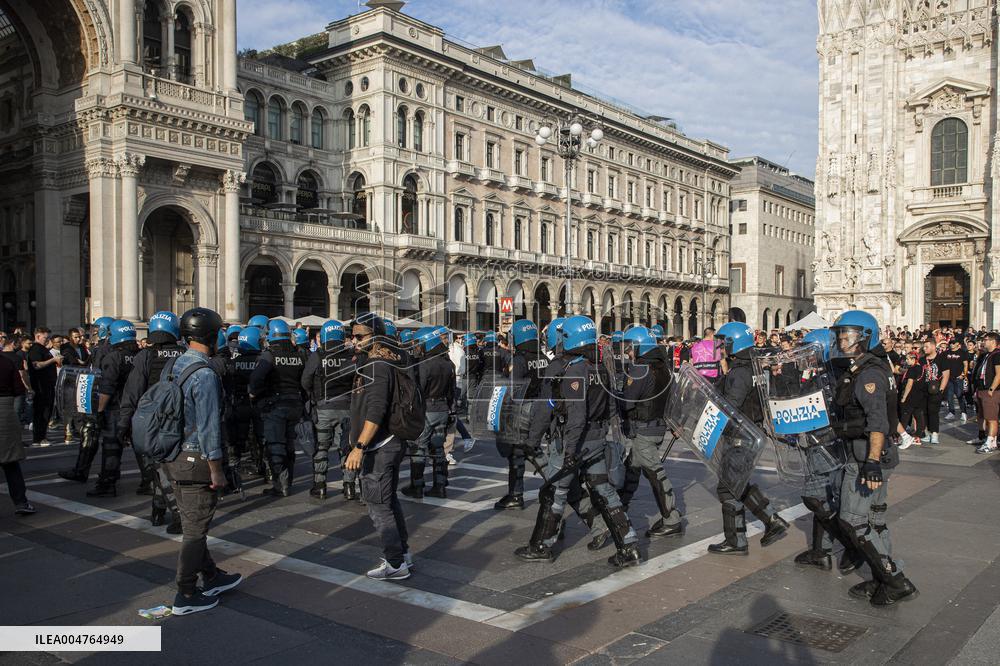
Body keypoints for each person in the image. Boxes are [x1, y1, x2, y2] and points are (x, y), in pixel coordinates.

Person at [514, 315, 642, 568]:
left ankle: (541, 545)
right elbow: (610, 405)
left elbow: (572, 415)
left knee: (555, 492)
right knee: (603, 491)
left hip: (573, 441)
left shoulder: (570, 370)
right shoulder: (599, 367)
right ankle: (628, 546)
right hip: (596, 439)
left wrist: (551, 444)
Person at [829, 310, 917, 606]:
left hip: (867, 455)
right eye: (840, 334)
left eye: (849, 335)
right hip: (875, 454)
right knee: (875, 520)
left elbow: (877, 421)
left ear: (866, 337)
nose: (843, 340)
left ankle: (894, 581)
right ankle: (884, 576)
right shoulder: (872, 366)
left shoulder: (868, 374)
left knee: (853, 520)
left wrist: (871, 462)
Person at [165, 307, 243, 615]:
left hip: (172, 454)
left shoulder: (173, 365)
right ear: (213, 335)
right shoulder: (206, 374)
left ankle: (211, 576)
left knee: (192, 520)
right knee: (196, 529)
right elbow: (210, 427)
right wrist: (216, 469)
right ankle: (185, 593)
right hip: (196, 458)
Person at [707, 322, 789, 555]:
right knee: (737, 483)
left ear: (735, 343)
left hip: (740, 435)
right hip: (752, 431)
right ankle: (769, 521)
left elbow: (730, 406)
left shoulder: (740, 372)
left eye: (725, 343)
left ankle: (738, 539)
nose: (721, 347)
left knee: (727, 488)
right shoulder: (753, 367)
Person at [344, 312, 412, 580]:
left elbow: (375, 410)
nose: (354, 341)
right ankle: (402, 555)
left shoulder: (377, 366)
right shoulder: (387, 361)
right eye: (353, 336)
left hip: (379, 446)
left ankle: (395, 564)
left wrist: (359, 447)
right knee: (388, 500)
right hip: (390, 443)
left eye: (360, 336)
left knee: (378, 505)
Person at [116, 311, 185, 532]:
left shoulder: (146, 356)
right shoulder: (184, 354)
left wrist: (124, 424)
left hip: (153, 421)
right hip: (180, 418)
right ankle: (161, 508)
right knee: (169, 466)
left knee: (158, 466)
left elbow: (132, 392)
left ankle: (167, 511)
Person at [617, 326, 683, 538]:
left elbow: (627, 402)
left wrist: (615, 395)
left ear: (639, 347)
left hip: (643, 429)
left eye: (630, 347)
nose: (627, 352)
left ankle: (671, 519)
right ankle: (618, 511)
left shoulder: (639, 369)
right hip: (656, 426)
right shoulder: (662, 367)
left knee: (655, 473)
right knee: (632, 469)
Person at [494, 319, 547, 510]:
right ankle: (556, 483)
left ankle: (516, 495)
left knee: (517, 451)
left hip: (523, 408)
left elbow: (514, 390)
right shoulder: (544, 357)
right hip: (541, 408)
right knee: (534, 449)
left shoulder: (519, 360)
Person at [249, 319, 305, 497]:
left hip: (275, 405)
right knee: (289, 445)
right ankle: (287, 481)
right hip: (295, 404)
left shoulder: (269, 355)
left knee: (275, 445)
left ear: (270, 336)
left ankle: (280, 485)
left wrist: (255, 393)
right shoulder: (298, 355)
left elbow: (256, 380)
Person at [301, 319, 356, 500]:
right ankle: (349, 486)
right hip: (347, 408)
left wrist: (314, 396)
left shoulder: (318, 355)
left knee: (321, 448)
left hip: (324, 408)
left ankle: (320, 486)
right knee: (346, 447)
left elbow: (305, 380)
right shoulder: (350, 355)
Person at [88, 320, 140, 497]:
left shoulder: (113, 357)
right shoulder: (140, 355)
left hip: (116, 408)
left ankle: (108, 483)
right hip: (137, 407)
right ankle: (150, 481)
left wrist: (99, 411)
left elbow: (107, 387)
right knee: (141, 447)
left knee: (111, 446)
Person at [405, 326, 455, 499]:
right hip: (442, 409)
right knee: (439, 449)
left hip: (426, 409)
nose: (416, 347)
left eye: (419, 344)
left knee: (419, 448)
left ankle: (417, 486)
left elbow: (419, 390)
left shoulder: (425, 364)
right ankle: (440, 485)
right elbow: (452, 392)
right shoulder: (448, 363)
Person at [225, 327, 265, 480]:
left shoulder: (233, 362)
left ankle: (235, 470)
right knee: (261, 437)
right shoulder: (263, 361)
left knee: (238, 439)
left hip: (240, 404)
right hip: (259, 404)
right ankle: (263, 467)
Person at [0, 349, 33, 515]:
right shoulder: (6, 362)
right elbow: (19, 389)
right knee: (10, 460)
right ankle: (21, 502)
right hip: (5, 408)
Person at [26, 327, 60, 445]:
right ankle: (39, 437)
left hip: (47, 385)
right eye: (46, 337)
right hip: (41, 387)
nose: (48, 340)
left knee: (46, 411)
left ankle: (42, 436)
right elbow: (36, 365)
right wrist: (53, 360)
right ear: (38, 336)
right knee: (42, 412)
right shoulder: (35, 349)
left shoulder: (43, 349)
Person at [973, 332, 1000, 454]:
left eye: (986, 339)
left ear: (993, 341)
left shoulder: (997, 355)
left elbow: (999, 374)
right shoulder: (986, 355)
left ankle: (990, 442)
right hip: (981, 389)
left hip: (990, 391)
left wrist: (991, 389)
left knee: (991, 418)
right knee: (984, 416)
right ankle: (992, 441)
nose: (984, 342)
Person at [921, 340, 949, 445]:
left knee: (933, 412)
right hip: (924, 390)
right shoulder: (922, 359)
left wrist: (941, 390)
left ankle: (935, 433)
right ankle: (927, 433)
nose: (924, 348)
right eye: (924, 347)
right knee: (924, 412)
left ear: (933, 347)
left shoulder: (941, 358)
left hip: (936, 389)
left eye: (926, 346)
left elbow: (946, 375)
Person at [898, 352, 927, 447]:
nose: (906, 361)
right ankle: (917, 437)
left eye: (908, 359)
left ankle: (902, 437)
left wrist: (904, 397)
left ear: (914, 359)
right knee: (919, 416)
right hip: (920, 396)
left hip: (911, 397)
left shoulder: (912, 369)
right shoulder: (922, 368)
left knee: (905, 417)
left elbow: (909, 384)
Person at [943, 338, 969, 423]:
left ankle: (963, 412)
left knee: (959, 395)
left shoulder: (962, 352)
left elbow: (965, 364)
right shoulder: (946, 353)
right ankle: (951, 412)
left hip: (958, 378)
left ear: (958, 343)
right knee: (949, 396)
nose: (951, 344)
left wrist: (963, 375)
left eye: (953, 343)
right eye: (950, 343)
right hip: (949, 378)